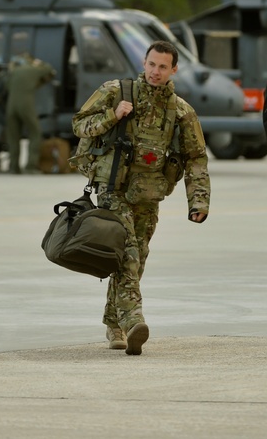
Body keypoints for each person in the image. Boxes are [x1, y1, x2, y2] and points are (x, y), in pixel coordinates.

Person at [71, 40, 210, 356]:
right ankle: (134, 321)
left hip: (148, 194)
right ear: (143, 63)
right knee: (129, 251)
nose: (155, 72)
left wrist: (199, 201)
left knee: (137, 258)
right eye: (151, 64)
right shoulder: (116, 92)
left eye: (163, 66)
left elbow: (196, 157)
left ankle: (113, 321)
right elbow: (80, 124)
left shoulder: (180, 111)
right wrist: (112, 116)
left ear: (173, 69)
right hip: (112, 189)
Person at [4, 53, 56, 174]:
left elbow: (7, 86)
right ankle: (30, 167)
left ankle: (13, 167)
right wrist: (40, 63)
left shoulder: (14, 71)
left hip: (11, 105)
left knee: (13, 136)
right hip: (25, 105)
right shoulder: (33, 70)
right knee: (35, 133)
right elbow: (49, 69)